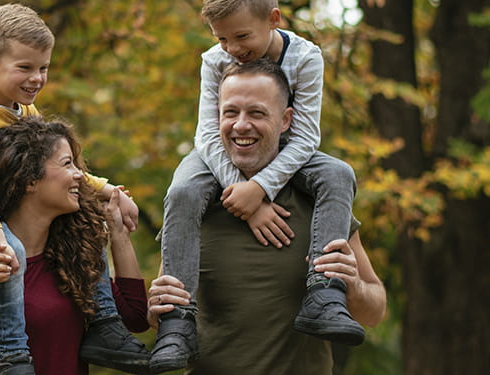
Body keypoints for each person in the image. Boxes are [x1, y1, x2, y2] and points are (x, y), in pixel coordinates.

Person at [0, 4, 147, 374]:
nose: (37, 78)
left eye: (43, 68)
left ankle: (105, 325)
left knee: (83, 225)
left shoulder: (26, 113)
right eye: (25, 68)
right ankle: (14, 356)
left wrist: (106, 192)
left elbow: (55, 161)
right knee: (13, 252)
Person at [154, 0, 364, 369]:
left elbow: (304, 137)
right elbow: (207, 135)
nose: (233, 49)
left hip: (290, 149)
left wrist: (261, 188)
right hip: (220, 157)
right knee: (183, 190)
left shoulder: (305, 57)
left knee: (338, 174)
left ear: (274, 19)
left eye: (241, 36)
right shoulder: (213, 61)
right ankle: (177, 320)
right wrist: (244, 195)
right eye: (222, 39)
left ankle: (325, 290)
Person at [0, 117, 151, 374]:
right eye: (68, 164)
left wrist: (119, 234)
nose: (79, 174)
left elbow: (135, 317)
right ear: (29, 180)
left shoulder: (70, 255)